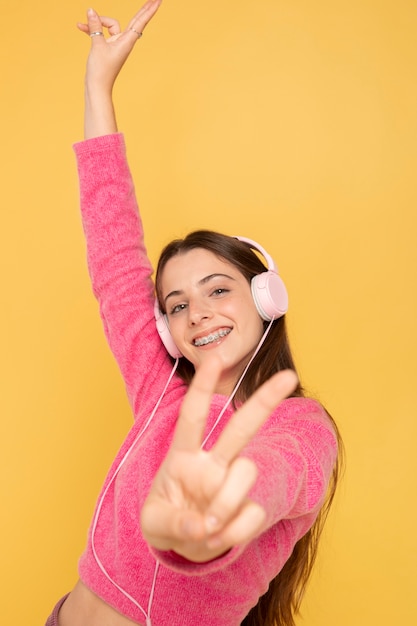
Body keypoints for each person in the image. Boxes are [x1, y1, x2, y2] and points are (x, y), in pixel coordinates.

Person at [46, 2, 342, 625]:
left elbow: (281, 472)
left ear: (267, 298)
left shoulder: (304, 427)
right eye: (176, 305)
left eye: (218, 290)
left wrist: (214, 516)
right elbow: (113, 250)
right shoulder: (158, 387)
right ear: (165, 330)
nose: (197, 314)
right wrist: (98, 85)